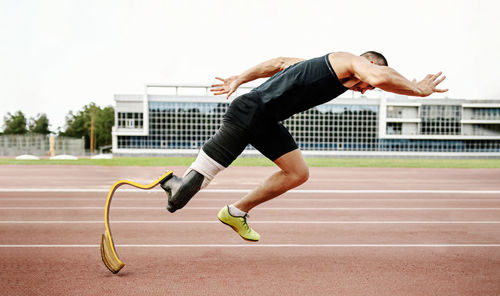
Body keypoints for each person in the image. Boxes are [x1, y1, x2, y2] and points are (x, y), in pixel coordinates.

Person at [160, 51, 447, 241]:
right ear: (367, 63)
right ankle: (168, 182)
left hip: (265, 119)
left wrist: (240, 77)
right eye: (367, 85)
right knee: (183, 193)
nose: (365, 90)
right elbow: (381, 76)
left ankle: (235, 212)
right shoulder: (350, 60)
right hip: (250, 111)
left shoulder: (324, 67)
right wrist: (417, 89)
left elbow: (278, 62)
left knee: (297, 173)